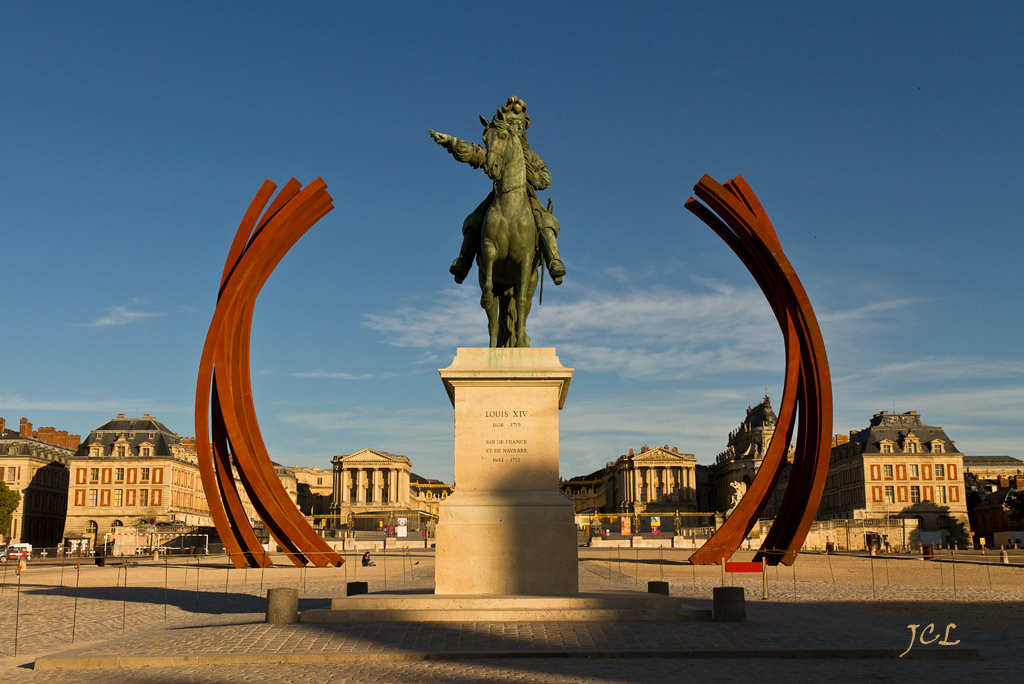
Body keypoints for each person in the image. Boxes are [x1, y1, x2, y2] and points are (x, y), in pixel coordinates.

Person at [429, 96, 566, 285]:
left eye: (519, 126)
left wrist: (532, 177)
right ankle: (464, 261)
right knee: (475, 220)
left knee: (546, 221)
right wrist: (451, 142)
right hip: (499, 194)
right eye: (513, 125)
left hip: (527, 195)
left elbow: (546, 179)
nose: (516, 129)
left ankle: (554, 261)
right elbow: (473, 153)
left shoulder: (532, 157)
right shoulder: (498, 149)